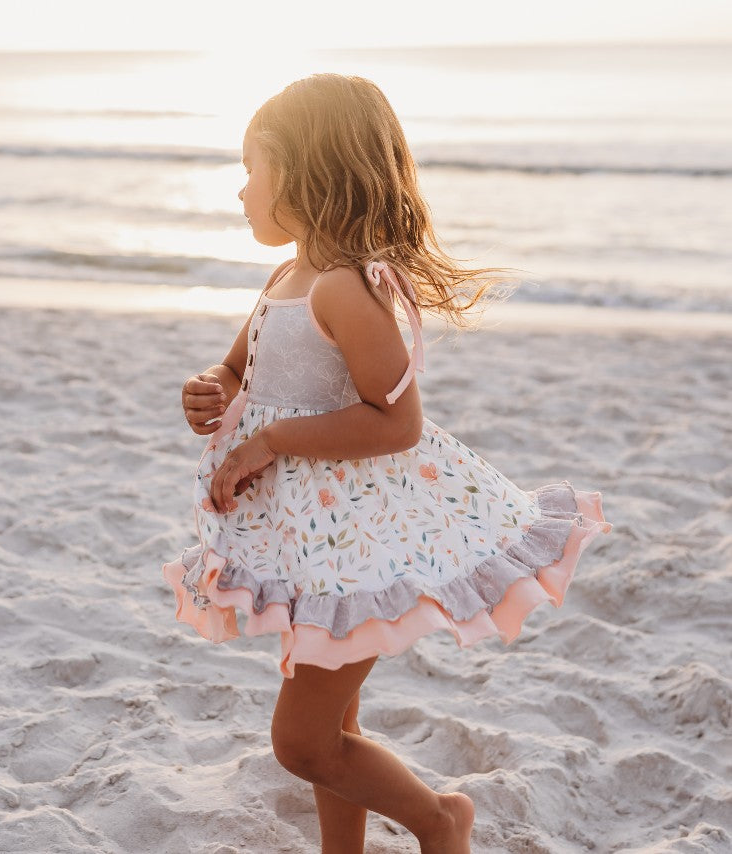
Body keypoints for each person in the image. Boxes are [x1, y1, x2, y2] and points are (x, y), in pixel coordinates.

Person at [162, 73, 612, 854]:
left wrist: (269, 441)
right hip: (303, 537)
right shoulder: (285, 277)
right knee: (333, 723)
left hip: (356, 539)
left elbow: (396, 421)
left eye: (251, 170)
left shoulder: (344, 289)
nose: (240, 191)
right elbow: (243, 368)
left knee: (301, 742)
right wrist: (212, 388)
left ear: (302, 174)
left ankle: (442, 821)